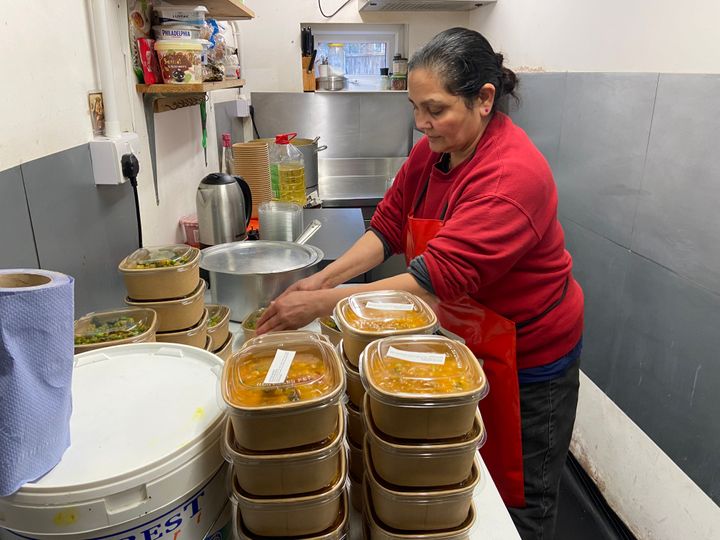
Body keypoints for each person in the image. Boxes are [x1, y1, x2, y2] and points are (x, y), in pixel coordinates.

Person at [256, 27, 584, 539]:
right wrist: (318, 278)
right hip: (464, 336)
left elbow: (430, 282)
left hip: (528, 357)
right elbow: (387, 225)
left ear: (484, 99)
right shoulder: (437, 149)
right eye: (414, 107)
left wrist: (321, 305)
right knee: (455, 473)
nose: (421, 123)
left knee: (518, 498)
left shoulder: (510, 179)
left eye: (434, 109)